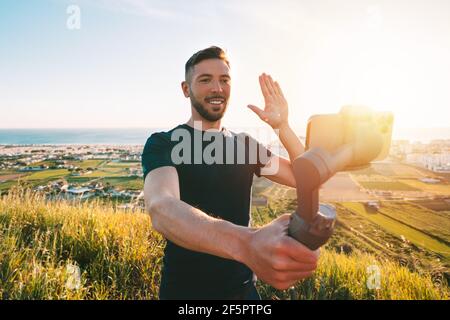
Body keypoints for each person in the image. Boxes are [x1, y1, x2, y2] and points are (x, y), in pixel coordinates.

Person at [142, 46, 319, 300]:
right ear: (185, 89)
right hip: (184, 293)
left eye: (224, 80)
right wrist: (247, 243)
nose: (217, 88)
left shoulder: (246, 146)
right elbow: (161, 207)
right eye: (205, 80)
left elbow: (303, 179)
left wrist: (283, 127)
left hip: (243, 292)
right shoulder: (164, 143)